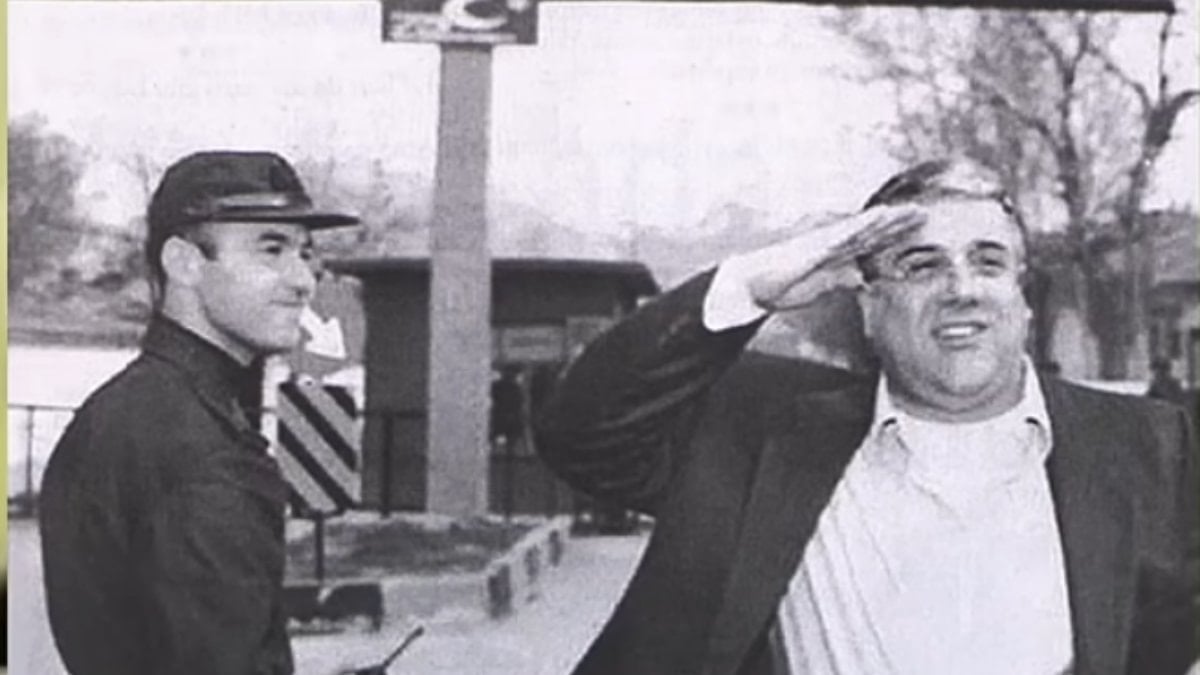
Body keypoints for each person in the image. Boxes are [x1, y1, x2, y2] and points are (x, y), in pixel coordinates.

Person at [534, 159, 1198, 675]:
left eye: (988, 261)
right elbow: (583, 427)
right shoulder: (763, 430)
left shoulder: (1148, 444)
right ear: (869, 309)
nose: (961, 288)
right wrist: (751, 284)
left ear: (1021, 298)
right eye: (921, 265)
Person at [38, 151, 359, 675]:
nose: (304, 279)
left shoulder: (119, 411)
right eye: (271, 250)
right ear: (184, 263)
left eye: (304, 253)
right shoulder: (203, 451)